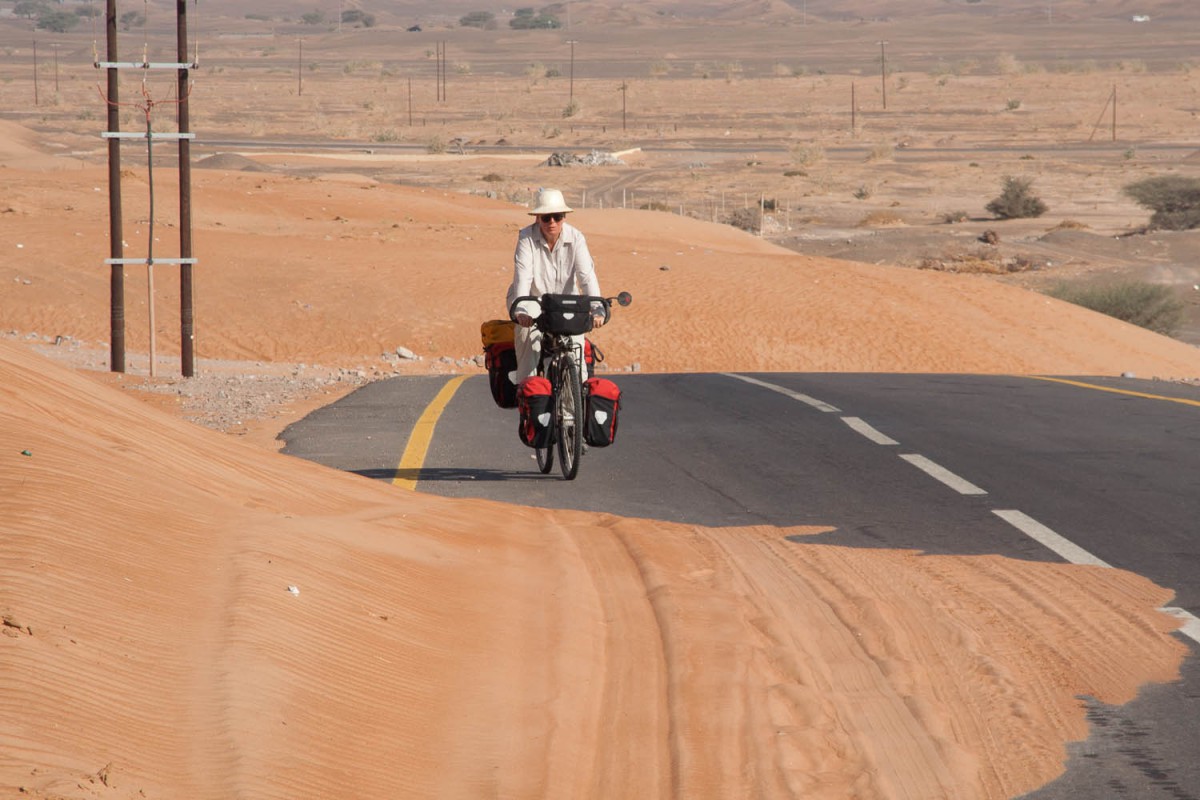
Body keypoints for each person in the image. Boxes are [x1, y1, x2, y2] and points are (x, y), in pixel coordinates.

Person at [506, 188, 603, 383]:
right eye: (546, 217)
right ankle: (528, 389)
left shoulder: (576, 238)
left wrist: (597, 308)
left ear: (564, 218)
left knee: (577, 356)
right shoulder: (526, 238)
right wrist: (522, 310)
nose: (552, 222)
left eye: (557, 217)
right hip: (533, 299)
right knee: (527, 334)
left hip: (566, 302)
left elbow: (586, 277)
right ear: (538, 218)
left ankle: (574, 401)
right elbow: (523, 277)